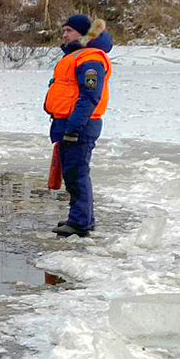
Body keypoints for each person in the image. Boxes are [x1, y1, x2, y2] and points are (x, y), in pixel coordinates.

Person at [43, 13, 113, 238]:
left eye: (69, 31)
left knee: (77, 173)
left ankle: (80, 222)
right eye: (63, 30)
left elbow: (90, 97)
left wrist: (73, 127)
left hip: (79, 125)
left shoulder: (90, 59)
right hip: (66, 122)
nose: (64, 34)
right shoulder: (75, 56)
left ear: (84, 34)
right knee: (73, 173)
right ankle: (82, 217)